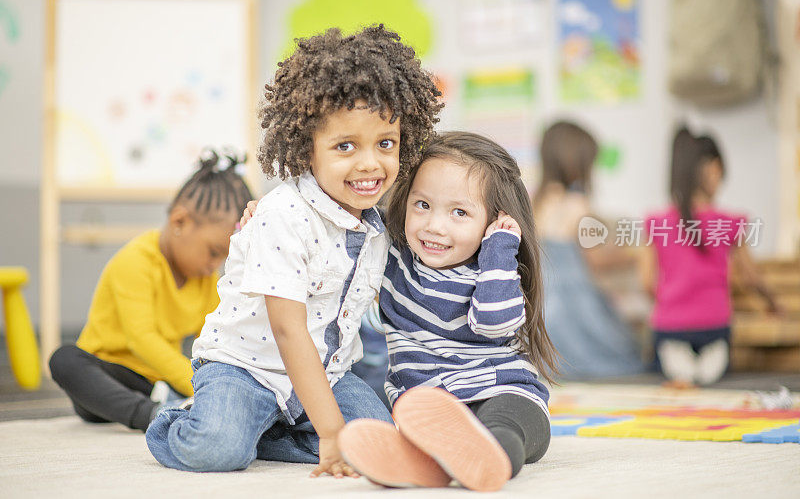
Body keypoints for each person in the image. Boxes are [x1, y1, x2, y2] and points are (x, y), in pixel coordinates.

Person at [145, 25, 443, 477]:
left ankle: (263, 434)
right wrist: (329, 432)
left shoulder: (378, 225)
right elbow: (288, 331)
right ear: (307, 150)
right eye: (345, 146)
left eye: (385, 143)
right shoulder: (282, 215)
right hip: (246, 369)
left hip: (326, 378)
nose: (369, 163)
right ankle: (178, 418)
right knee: (218, 450)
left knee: (378, 442)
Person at [337, 132, 557, 492]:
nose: (435, 226)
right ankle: (429, 462)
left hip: (502, 392)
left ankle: (486, 458)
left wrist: (499, 247)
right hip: (430, 409)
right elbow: (331, 224)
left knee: (503, 429)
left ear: (493, 221)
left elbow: (493, 321)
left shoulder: (492, 272)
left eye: (459, 213)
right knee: (416, 431)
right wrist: (270, 214)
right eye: (422, 205)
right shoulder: (391, 257)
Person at [49, 152, 253, 432]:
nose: (214, 266)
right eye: (214, 252)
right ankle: (150, 415)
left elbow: (215, 339)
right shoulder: (135, 261)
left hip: (156, 383)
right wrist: (197, 384)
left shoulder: (205, 280)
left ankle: (172, 405)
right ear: (179, 222)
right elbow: (141, 339)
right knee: (64, 359)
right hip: (107, 379)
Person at [641, 127, 780, 387]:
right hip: (714, 329)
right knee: (713, 382)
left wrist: (673, 305)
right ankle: (701, 373)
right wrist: (773, 304)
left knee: (676, 379)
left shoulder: (657, 223)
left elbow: (647, 282)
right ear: (714, 169)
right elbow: (752, 278)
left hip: (669, 330)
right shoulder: (729, 223)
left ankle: (683, 375)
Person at [533, 120, 644, 378]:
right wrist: (635, 253)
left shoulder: (534, 202)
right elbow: (596, 259)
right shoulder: (577, 205)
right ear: (577, 163)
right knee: (619, 354)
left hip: (543, 308)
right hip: (575, 309)